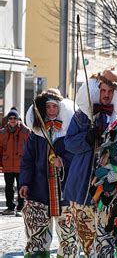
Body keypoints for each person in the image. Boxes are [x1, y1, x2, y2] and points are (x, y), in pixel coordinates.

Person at [63, 68, 117, 256]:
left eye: (110, 92)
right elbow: (69, 143)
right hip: (82, 188)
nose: (106, 95)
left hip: (109, 187)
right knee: (85, 242)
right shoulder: (82, 115)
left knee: (106, 243)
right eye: (103, 91)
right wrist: (87, 139)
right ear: (97, 90)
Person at [19, 89, 78, 257]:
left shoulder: (69, 132)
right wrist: (24, 182)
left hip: (65, 192)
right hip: (39, 192)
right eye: (48, 107)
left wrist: (64, 161)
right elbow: (27, 160)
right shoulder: (36, 134)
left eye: (54, 107)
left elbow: (76, 156)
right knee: (36, 238)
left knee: (69, 238)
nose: (51, 111)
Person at [0, 108, 30, 216]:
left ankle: (21, 207)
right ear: (8, 120)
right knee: (9, 187)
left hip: (21, 164)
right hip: (7, 164)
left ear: (18, 119)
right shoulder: (2, 132)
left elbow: (30, 149)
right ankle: (10, 207)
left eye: (15, 118)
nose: (12, 120)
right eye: (10, 118)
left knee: (21, 186)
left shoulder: (26, 131)